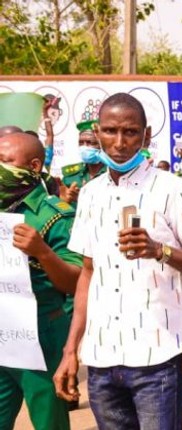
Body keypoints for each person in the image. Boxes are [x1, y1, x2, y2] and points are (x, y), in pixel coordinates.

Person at [52, 93, 182, 429]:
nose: (119, 142)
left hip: (156, 360)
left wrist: (161, 250)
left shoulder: (174, 189)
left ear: (146, 134)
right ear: (97, 132)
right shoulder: (90, 193)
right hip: (101, 361)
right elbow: (88, 274)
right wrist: (71, 349)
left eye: (130, 132)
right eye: (110, 131)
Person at [0, 132, 81, 430]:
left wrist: (42, 252)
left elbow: (75, 282)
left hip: (42, 332)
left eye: (5, 162)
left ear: (34, 166)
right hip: (2, 331)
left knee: (49, 420)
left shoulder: (54, 216)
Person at [59, 120, 106, 205]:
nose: (84, 147)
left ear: (102, 145)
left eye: (90, 142)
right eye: (81, 143)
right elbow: (61, 209)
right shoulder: (70, 176)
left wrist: (83, 199)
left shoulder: (112, 174)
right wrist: (65, 202)